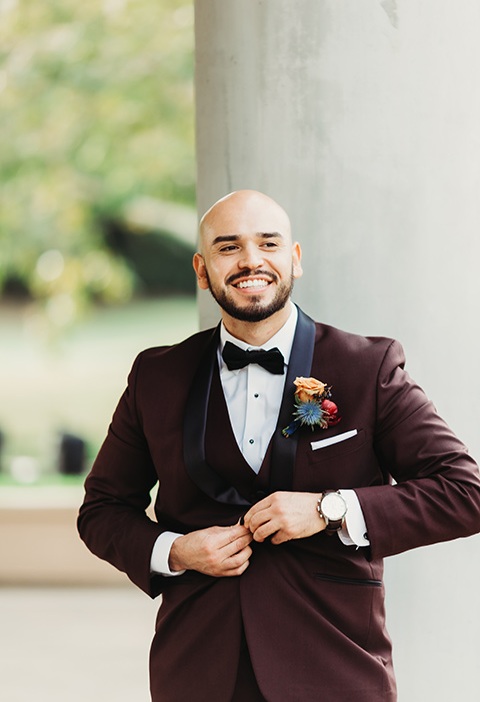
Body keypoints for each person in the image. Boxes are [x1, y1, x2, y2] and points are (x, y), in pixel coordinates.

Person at [78, 190, 480, 702]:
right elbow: (102, 510)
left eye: (268, 243)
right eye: (229, 247)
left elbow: (465, 492)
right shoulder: (156, 376)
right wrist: (175, 550)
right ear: (202, 270)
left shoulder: (367, 367)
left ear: (293, 259)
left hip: (334, 665)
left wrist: (330, 509)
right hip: (197, 670)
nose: (251, 260)